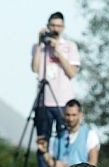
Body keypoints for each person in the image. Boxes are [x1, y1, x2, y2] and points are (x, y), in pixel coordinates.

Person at [31, 11, 80, 140]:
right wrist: (40, 43)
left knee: (63, 139)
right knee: (42, 141)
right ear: (47, 26)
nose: (55, 29)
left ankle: (60, 161)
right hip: (43, 101)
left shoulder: (70, 46)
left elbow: (72, 72)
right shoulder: (39, 47)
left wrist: (57, 51)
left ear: (63, 28)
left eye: (58, 26)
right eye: (52, 25)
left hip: (63, 101)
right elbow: (35, 68)